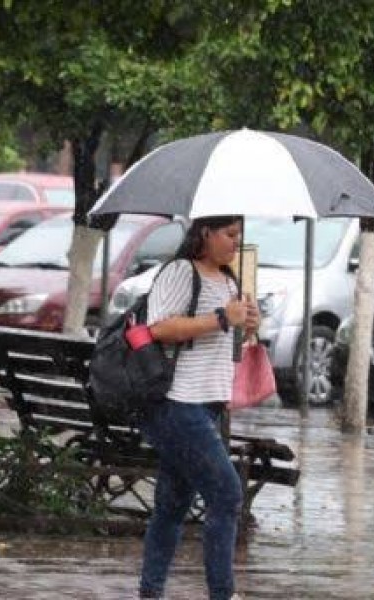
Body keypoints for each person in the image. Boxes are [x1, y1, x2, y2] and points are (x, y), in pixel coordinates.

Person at [138, 215, 260, 600]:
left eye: (239, 236)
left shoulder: (230, 280)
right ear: (204, 233)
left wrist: (249, 324)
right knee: (226, 495)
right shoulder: (180, 272)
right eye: (229, 235)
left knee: (173, 506)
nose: (235, 244)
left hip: (208, 404)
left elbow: (229, 342)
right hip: (177, 404)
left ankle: (150, 591)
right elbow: (158, 328)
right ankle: (222, 594)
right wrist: (223, 317)